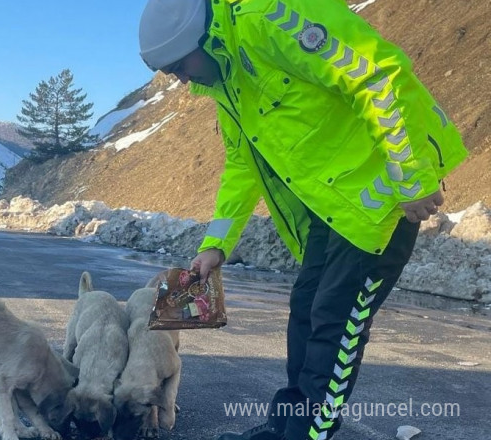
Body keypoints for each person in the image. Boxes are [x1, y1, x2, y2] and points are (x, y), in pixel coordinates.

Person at [138, 0, 468, 439]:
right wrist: (215, 246)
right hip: (329, 211)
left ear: (203, 39)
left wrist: (412, 176)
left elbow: (375, 73)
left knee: (335, 324)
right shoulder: (229, 84)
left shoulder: (270, 21)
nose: (181, 79)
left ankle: (308, 433)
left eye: (180, 66)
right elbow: (241, 165)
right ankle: (287, 428)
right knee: (305, 314)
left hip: (380, 201)